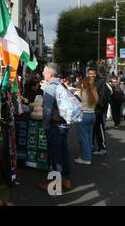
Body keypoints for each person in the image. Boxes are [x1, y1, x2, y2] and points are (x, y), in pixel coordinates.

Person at [39, 63, 71, 192]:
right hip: (64, 124)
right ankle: (66, 180)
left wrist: (45, 125)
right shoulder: (62, 84)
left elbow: (47, 110)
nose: (43, 74)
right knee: (64, 152)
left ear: (50, 74)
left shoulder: (50, 88)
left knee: (55, 155)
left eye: (45, 72)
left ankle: (54, 185)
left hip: (55, 126)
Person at [74, 78, 98, 165]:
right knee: (88, 137)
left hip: (83, 115)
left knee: (83, 138)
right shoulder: (94, 92)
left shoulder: (80, 92)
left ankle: (86, 158)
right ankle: (87, 156)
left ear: (83, 84)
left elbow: (74, 102)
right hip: (92, 115)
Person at [89, 67, 110, 156]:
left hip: (98, 110)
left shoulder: (101, 82)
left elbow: (103, 96)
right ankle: (92, 145)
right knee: (92, 129)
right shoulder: (88, 82)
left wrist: (97, 103)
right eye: (90, 74)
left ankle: (102, 147)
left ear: (96, 73)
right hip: (90, 110)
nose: (92, 75)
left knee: (99, 128)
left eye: (93, 73)